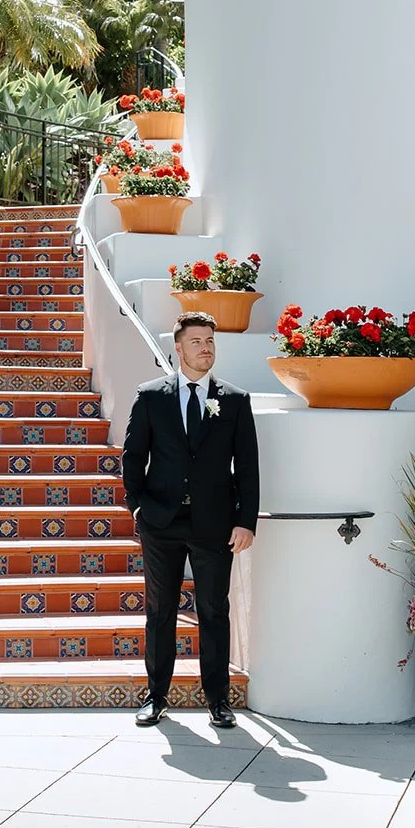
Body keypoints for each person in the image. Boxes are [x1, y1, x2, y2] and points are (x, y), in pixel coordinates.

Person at [121, 310, 259, 729]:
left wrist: (245, 520)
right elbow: (133, 457)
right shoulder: (150, 396)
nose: (206, 348)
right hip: (161, 521)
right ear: (178, 348)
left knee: (215, 611)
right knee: (159, 611)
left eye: (211, 341)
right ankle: (156, 696)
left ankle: (218, 701)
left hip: (215, 524)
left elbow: (248, 466)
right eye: (197, 341)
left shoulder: (234, 400)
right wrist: (138, 508)